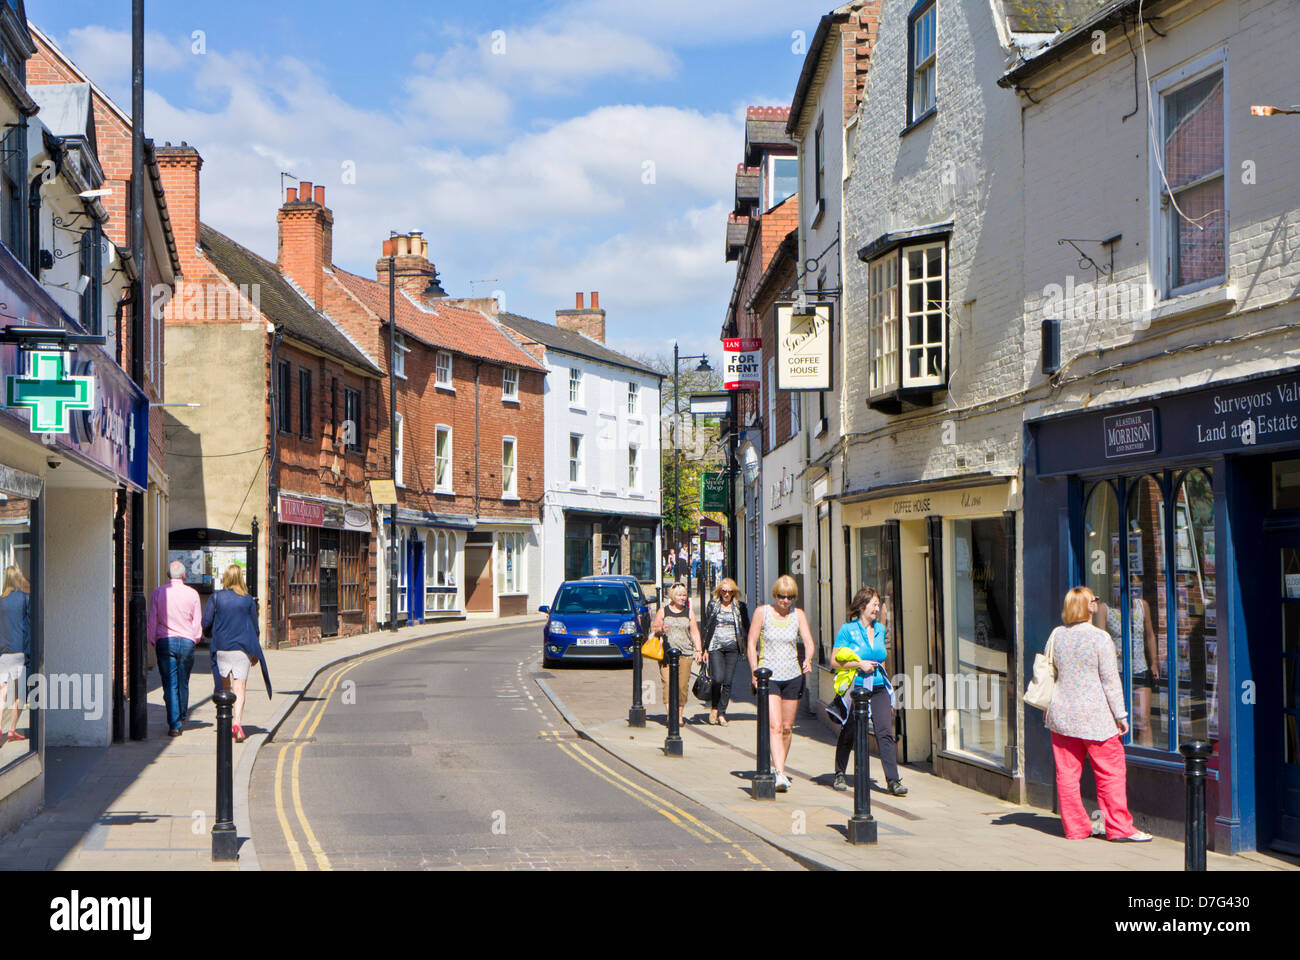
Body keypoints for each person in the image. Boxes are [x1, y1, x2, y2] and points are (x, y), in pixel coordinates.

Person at [1045, 586, 1152, 842]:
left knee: (1067, 774)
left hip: (1061, 715)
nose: (1097, 602)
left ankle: (1076, 828)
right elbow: (1110, 680)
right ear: (1089, 606)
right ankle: (1119, 828)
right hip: (1095, 717)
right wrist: (1121, 715)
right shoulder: (1100, 638)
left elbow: (1052, 670)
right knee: (1111, 772)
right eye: (1095, 599)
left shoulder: (1057, 635)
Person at [830, 587, 906, 795]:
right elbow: (834, 661)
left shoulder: (880, 629)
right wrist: (858, 664)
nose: (877, 607)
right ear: (862, 606)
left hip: (879, 686)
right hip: (858, 688)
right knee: (850, 729)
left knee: (885, 732)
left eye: (878, 604)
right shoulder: (847, 630)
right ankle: (839, 773)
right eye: (874, 604)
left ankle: (893, 781)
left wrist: (889, 695)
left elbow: (882, 658)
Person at [747, 575, 814, 792]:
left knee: (786, 728)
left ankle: (779, 766)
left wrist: (808, 658)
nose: (785, 601)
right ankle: (780, 773)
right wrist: (754, 671)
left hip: (793, 676)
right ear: (775, 595)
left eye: (790, 597)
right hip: (769, 676)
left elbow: (808, 642)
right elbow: (751, 643)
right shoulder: (762, 612)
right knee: (775, 726)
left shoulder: (798, 615)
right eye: (781, 596)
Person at [203, 565, 272, 743]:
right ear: (241, 579)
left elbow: (206, 622)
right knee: (239, 688)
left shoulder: (216, 597)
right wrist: (255, 652)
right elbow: (255, 628)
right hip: (242, 650)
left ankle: (225, 722)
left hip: (222, 649)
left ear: (225, 578)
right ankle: (238, 724)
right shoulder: (248, 600)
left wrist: (209, 632)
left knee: (225, 688)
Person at [147, 560, 203, 737]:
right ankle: (182, 715)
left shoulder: (158, 593)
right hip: (186, 642)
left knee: (169, 684)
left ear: (168, 574)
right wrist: (194, 639)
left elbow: (152, 620)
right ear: (184, 575)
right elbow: (197, 622)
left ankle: (174, 723)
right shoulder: (193, 594)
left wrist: (153, 640)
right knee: (183, 682)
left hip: (165, 641)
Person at [649, 582, 702, 728]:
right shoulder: (663, 611)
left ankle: (678, 715)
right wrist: (661, 629)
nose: (682, 597)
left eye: (684, 595)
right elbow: (654, 629)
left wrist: (698, 650)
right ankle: (670, 715)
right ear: (673, 596)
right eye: (679, 595)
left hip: (685, 653)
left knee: (682, 686)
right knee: (667, 684)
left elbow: (695, 632)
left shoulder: (689, 612)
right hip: (666, 654)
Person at [700, 578, 750, 725]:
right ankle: (714, 707)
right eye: (724, 591)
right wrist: (704, 649)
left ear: (734, 592)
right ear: (719, 591)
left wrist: (741, 638)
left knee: (728, 681)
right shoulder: (712, 606)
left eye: (729, 591)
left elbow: (747, 627)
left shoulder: (740, 607)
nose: (726, 594)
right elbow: (707, 627)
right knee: (717, 679)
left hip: (732, 648)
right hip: (715, 646)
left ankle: (722, 712)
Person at [0, 565, 30, 745]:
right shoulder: (24, 599)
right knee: (18, 694)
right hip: (19, 652)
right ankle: (11, 730)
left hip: (3, 653)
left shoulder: (1, 601)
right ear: (18, 579)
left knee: (2, 694)